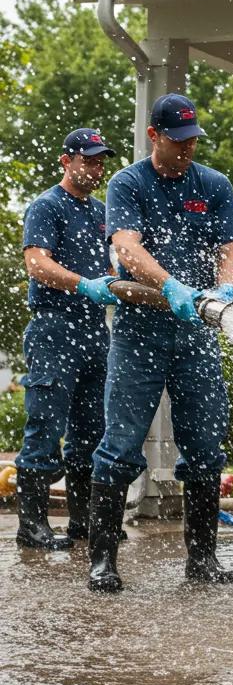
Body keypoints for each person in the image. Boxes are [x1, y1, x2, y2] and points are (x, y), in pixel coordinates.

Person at [87, 93, 233, 592]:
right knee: (120, 443)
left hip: (198, 334)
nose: (187, 149)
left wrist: (225, 287)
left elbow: (232, 250)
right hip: (140, 332)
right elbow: (126, 248)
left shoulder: (214, 185)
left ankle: (202, 560)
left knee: (205, 445)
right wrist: (171, 284)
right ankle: (103, 562)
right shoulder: (128, 183)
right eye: (178, 141)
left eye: (193, 140)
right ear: (155, 136)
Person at [15, 128, 119, 550]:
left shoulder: (100, 212)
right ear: (66, 160)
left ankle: (83, 521)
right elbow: (37, 264)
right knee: (45, 424)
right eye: (88, 159)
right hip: (55, 328)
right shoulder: (46, 206)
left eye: (99, 161)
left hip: (96, 330)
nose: (95, 167)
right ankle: (32, 525)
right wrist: (84, 285)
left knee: (91, 429)